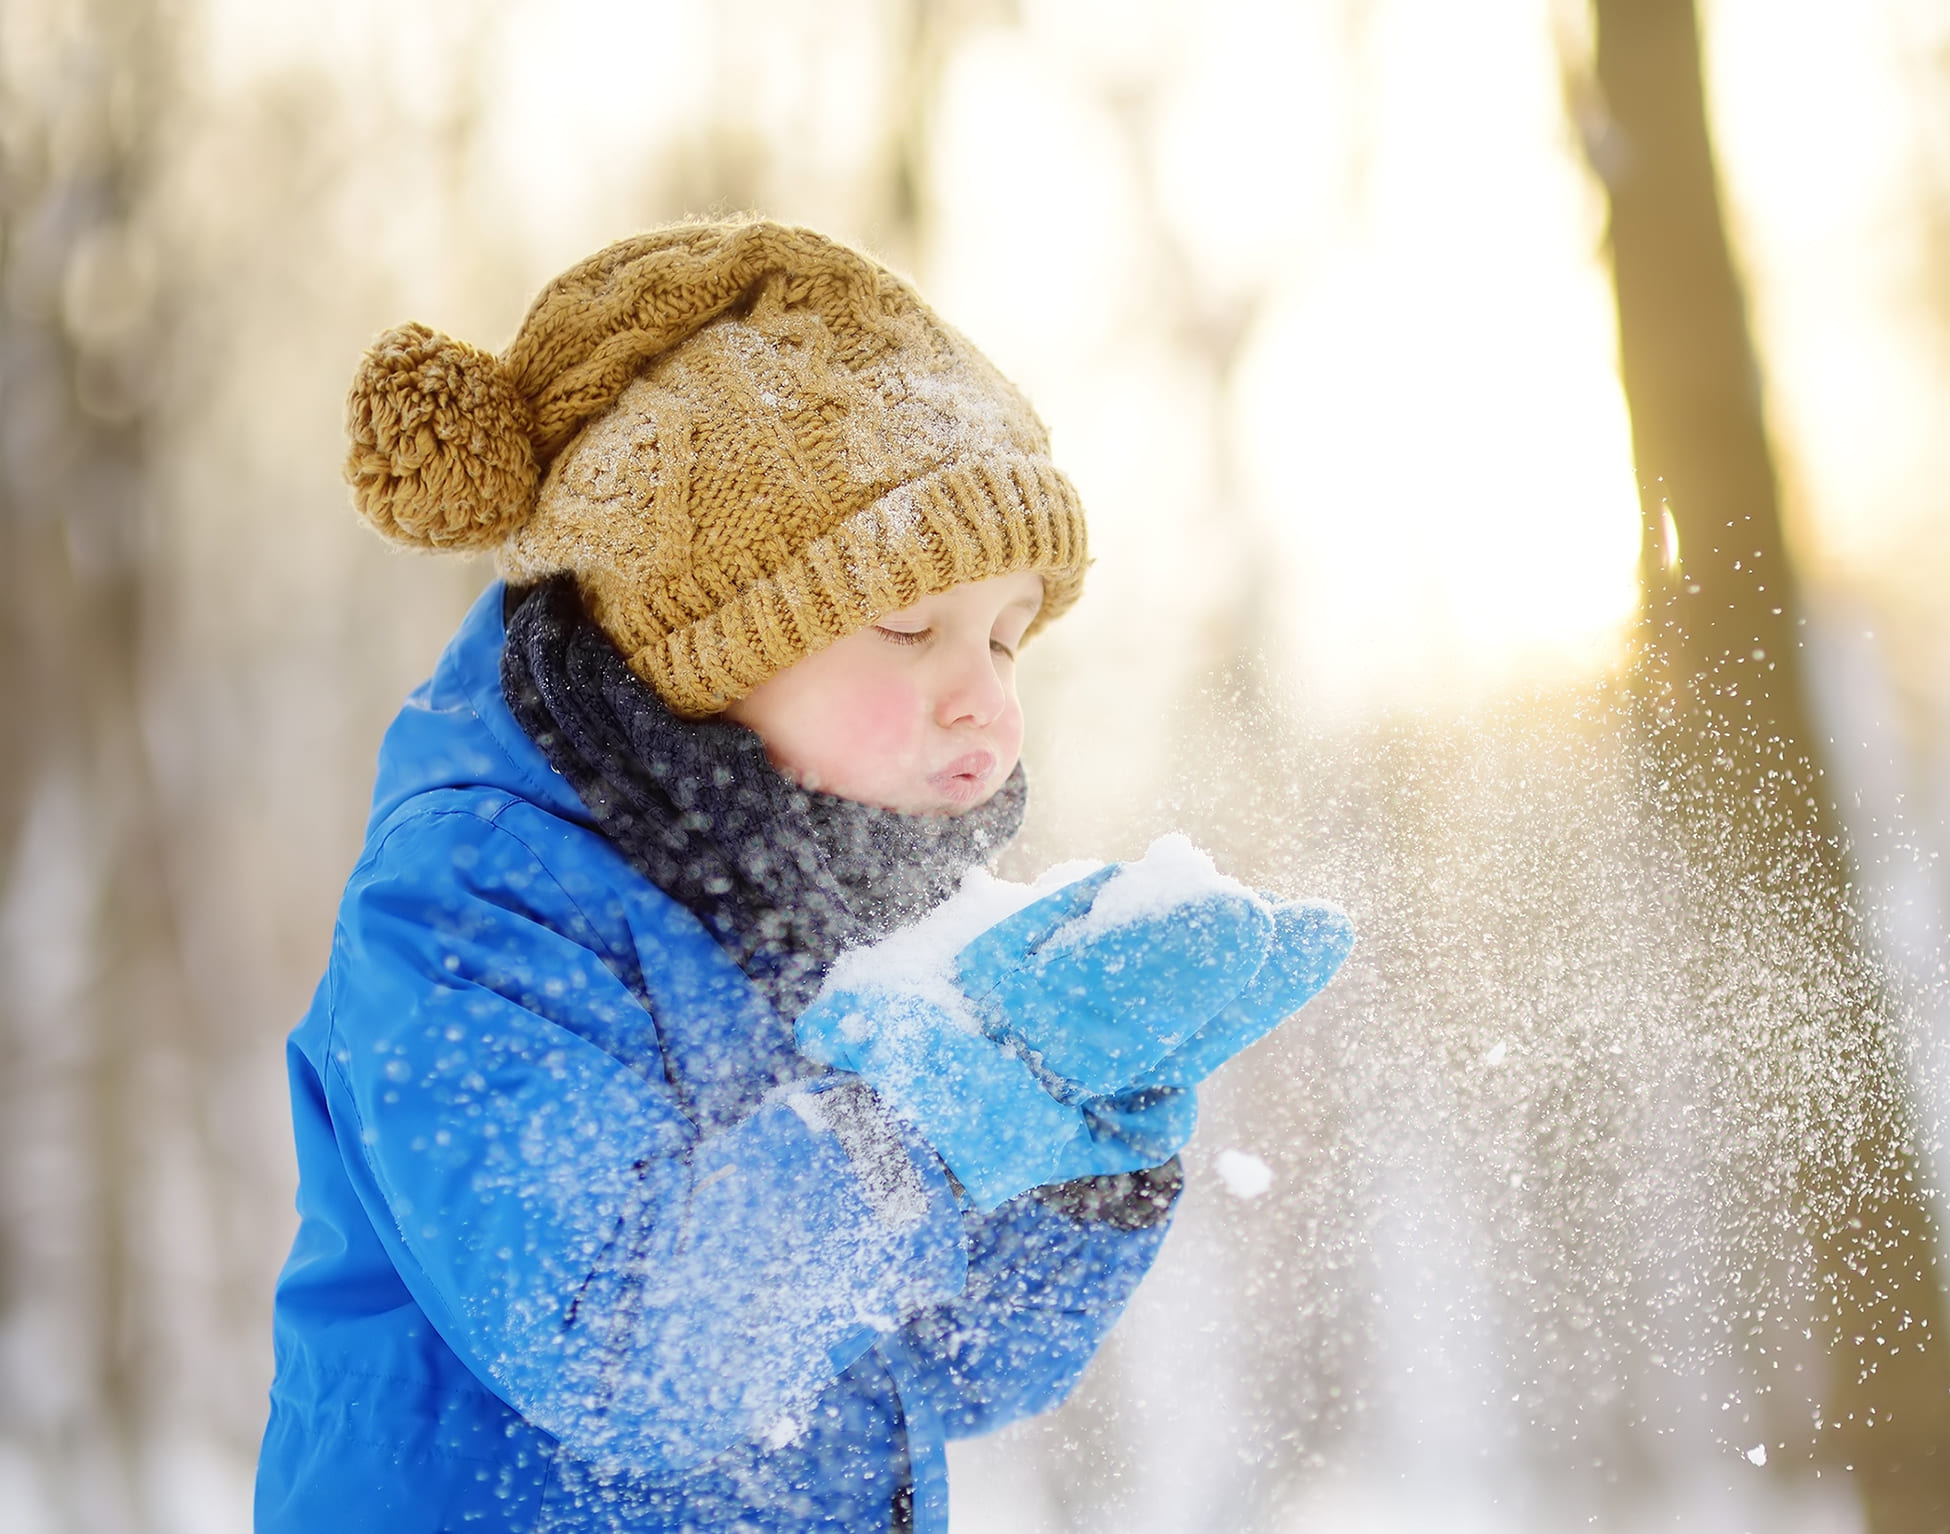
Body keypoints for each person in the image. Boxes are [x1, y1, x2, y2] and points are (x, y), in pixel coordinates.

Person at [254, 219, 1350, 1532]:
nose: (987, 708)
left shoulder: (833, 904)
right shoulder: (468, 916)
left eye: (1008, 642)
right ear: (704, 641)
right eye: (911, 626)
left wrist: (1078, 1138)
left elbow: (956, 1364)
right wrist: (948, 1102)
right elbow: (632, 1345)